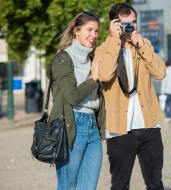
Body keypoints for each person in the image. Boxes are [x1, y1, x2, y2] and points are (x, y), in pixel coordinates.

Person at [93, 3, 166, 190]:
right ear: (114, 24)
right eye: (126, 23)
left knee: (156, 184)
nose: (131, 27)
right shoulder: (103, 49)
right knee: (120, 186)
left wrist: (143, 47)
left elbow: (160, 73)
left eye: (134, 22)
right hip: (119, 129)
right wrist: (114, 40)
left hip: (149, 125)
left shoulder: (144, 45)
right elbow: (105, 75)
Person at [46, 11, 105, 190]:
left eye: (96, 31)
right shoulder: (63, 60)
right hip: (71, 124)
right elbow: (72, 96)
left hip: (92, 127)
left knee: (88, 187)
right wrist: (93, 79)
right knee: (68, 185)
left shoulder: (92, 59)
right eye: (89, 30)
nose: (93, 35)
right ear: (76, 30)